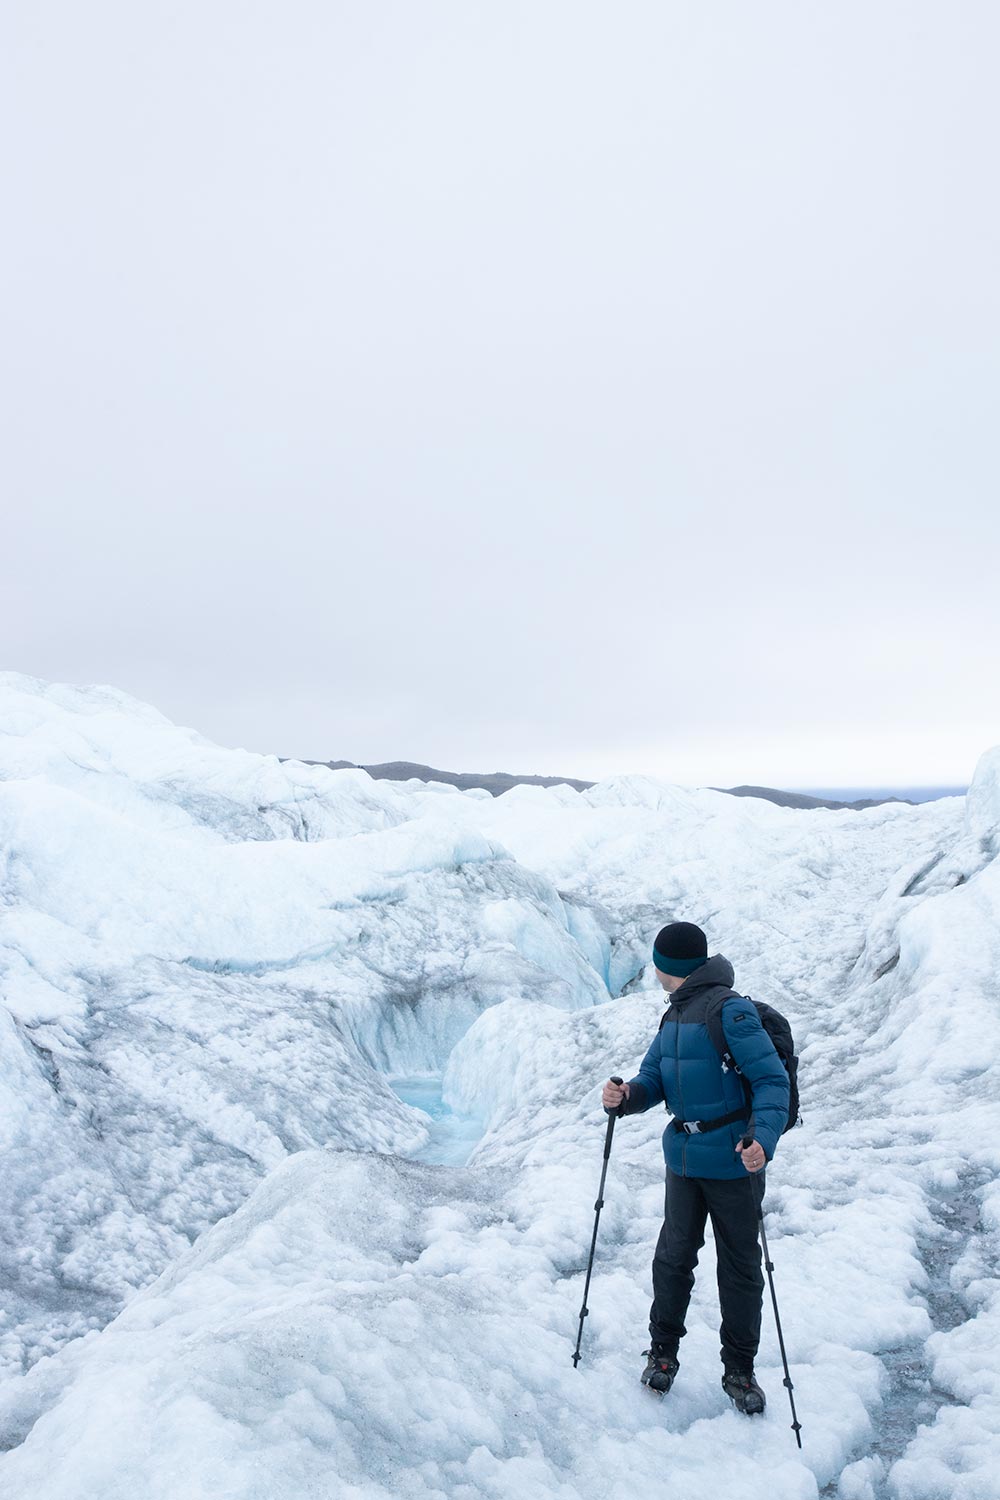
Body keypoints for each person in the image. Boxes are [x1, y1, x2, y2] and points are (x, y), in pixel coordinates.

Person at [602, 920, 789, 1415]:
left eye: (659, 961)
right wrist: (626, 1098)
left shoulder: (732, 1013)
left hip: (733, 1163)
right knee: (672, 1259)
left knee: (741, 1268)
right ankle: (662, 1354)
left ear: (671, 967)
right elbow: (653, 1078)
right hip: (683, 1162)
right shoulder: (675, 1016)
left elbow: (772, 1083)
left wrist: (762, 1142)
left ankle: (739, 1370)